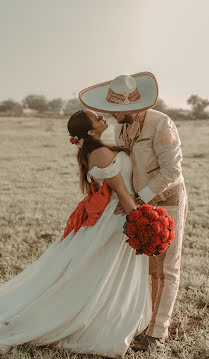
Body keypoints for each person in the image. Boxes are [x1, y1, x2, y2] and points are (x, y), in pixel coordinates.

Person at [0, 109, 152, 358]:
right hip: (115, 219)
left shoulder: (96, 149)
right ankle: (97, 321)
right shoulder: (100, 153)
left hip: (116, 215)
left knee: (100, 271)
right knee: (99, 271)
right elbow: (123, 193)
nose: (103, 118)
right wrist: (142, 221)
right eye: (97, 118)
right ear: (91, 132)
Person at [79, 71, 188, 351]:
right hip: (141, 203)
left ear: (132, 107)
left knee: (166, 267)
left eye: (118, 110)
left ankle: (158, 332)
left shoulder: (161, 123)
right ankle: (146, 320)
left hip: (168, 200)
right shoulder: (121, 128)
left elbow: (173, 170)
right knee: (147, 266)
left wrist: (142, 199)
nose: (112, 115)